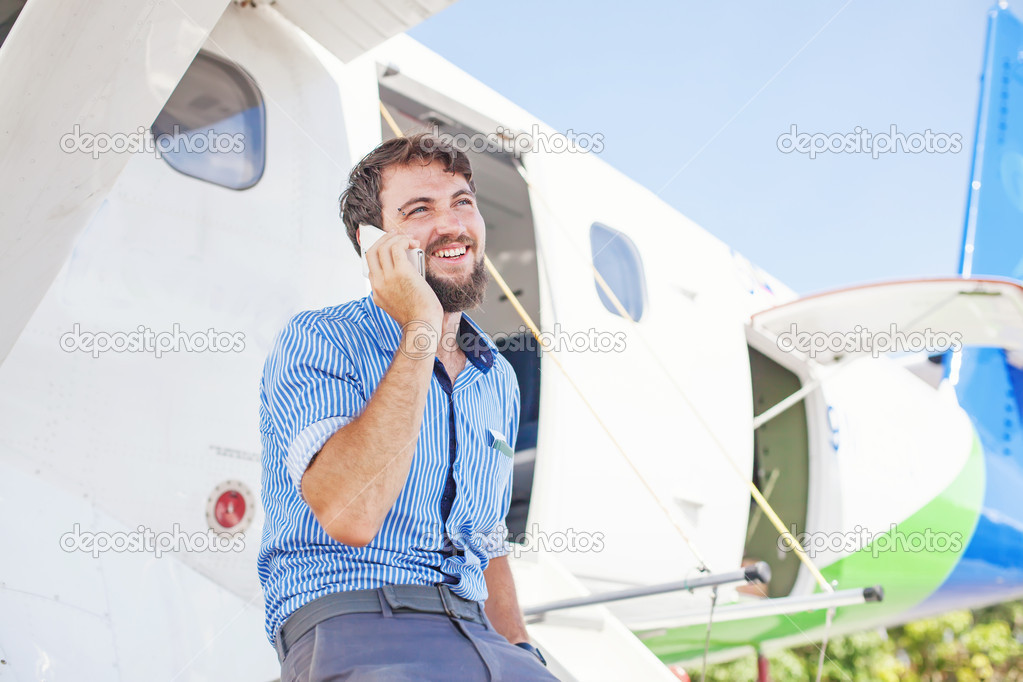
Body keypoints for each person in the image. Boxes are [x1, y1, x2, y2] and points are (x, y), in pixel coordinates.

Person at [258, 133, 557, 681]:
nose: (452, 225)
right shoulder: (321, 339)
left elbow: (485, 537)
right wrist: (420, 328)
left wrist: (521, 651)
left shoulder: (497, 380)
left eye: (462, 202)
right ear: (373, 242)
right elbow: (350, 512)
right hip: (361, 621)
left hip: (479, 638)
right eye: (420, 210)